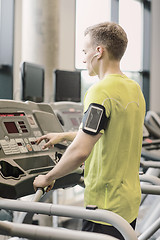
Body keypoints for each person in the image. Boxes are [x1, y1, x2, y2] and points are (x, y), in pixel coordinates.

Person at [33, 22, 146, 239]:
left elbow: (80, 151)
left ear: (99, 51)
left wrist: (48, 177)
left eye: (85, 52)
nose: (83, 59)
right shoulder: (134, 89)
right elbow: (110, 133)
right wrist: (64, 136)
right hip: (128, 201)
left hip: (104, 204)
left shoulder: (100, 91)